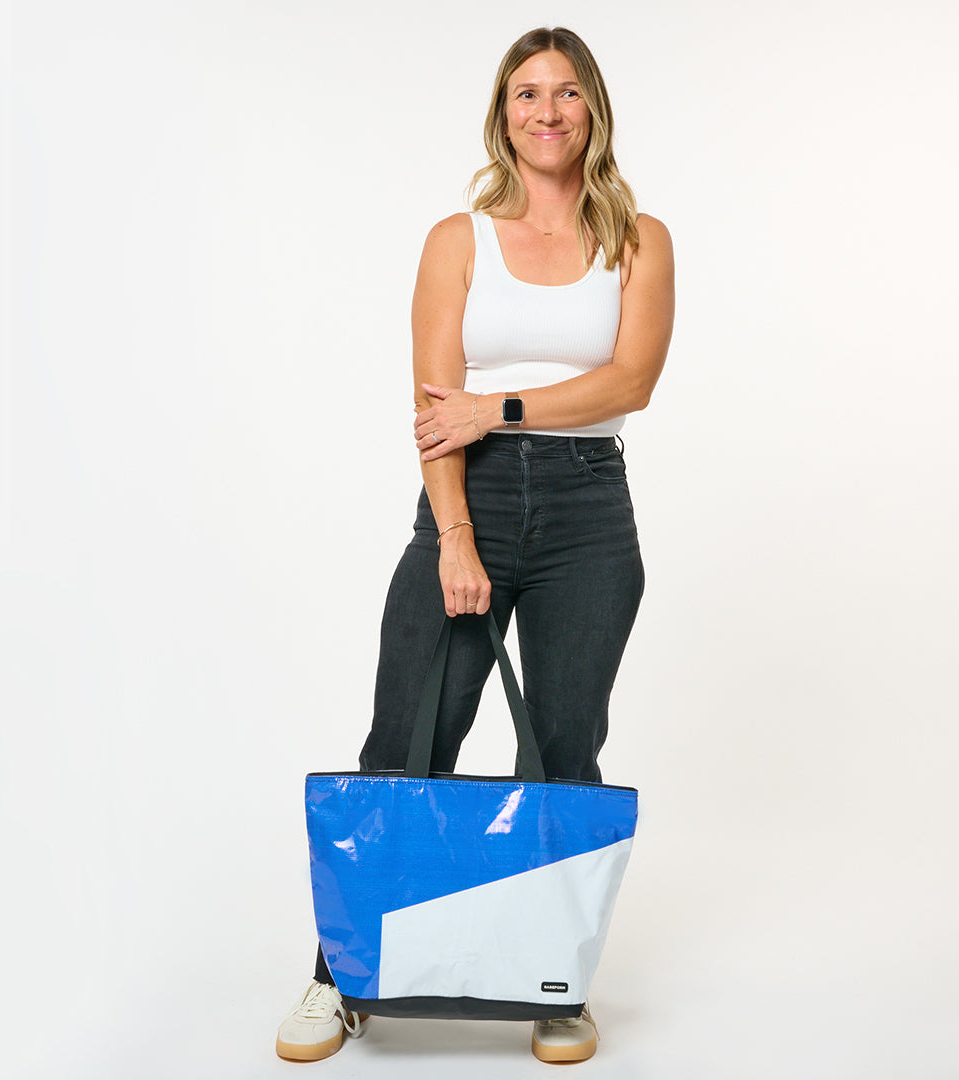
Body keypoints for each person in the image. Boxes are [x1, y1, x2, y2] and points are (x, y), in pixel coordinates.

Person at [276, 25, 674, 1065]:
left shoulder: (639, 239)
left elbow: (629, 382)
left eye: (567, 92)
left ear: (594, 110)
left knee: (565, 752)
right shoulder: (458, 240)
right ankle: (342, 975)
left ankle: (556, 981)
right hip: (470, 500)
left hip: (590, 512)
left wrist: (497, 407)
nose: (547, 111)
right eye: (526, 93)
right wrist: (455, 537)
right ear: (503, 114)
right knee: (406, 744)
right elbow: (432, 410)